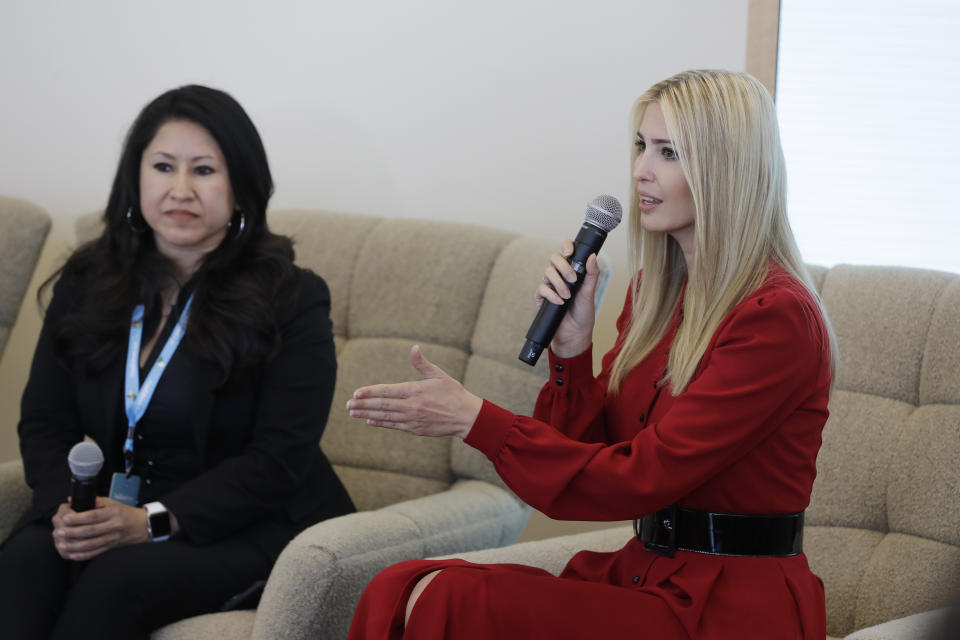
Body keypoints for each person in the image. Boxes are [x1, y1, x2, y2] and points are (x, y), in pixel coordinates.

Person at [343, 69, 837, 639]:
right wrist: (572, 349)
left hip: (730, 610)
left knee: (455, 597)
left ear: (727, 170)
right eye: (640, 146)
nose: (640, 172)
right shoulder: (658, 293)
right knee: (396, 585)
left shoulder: (776, 318)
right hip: (649, 578)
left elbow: (640, 476)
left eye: (669, 152)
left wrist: (472, 418)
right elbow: (588, 452)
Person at [0, 85, 355, 639]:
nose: (181, 190)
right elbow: (45, 420)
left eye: (205, 171)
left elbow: (278, 459)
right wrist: (66, 509)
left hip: (244, 522)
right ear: (135, 178)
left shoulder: (292, 297)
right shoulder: (89, 279)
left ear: (241, 187)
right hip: (114, 509)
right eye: (164, 167)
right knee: (23, 563)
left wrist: (148, 522)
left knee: (118, 579)